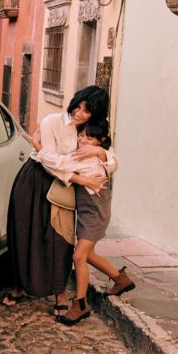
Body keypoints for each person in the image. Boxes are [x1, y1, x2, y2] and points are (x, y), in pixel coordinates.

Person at [2, 85, 112, 315]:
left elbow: (113, 161)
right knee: (24, 233)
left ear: (95, 114)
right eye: (78, 106)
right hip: (35, 179)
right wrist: (81, 179)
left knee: (60, 238)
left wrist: (100, 153)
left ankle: (59, 293)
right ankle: (19, 286)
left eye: (87, 110)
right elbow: (50, 161)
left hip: (63, 189)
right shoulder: (52, 121)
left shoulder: (92, 131)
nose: (79, 113)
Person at [55, 120, 135, 325]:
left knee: (78, 256)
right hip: (87, 213)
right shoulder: (92, 154)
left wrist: (39, 147)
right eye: (81, 135)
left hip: (95, 214)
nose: (83, 140)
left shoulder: (90, 158)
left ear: (101, 141)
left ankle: (80, 304)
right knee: (88, 254)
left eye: (89, 138)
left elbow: (59, 165)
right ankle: (120, 279)